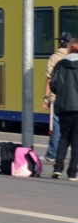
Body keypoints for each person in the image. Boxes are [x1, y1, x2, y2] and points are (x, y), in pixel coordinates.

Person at [48, 36, 78, 180]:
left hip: (64, 106)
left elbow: (53, 85)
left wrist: (62, 94)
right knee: (77, 140)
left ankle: (58, 168)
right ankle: (72, 173)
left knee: (63, 137)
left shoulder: (60, 64)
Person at [43, 32, 72, 162]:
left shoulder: (54, 57)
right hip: (73, 98)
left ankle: (52, 154)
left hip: (56, 97)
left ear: (60, 43)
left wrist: (45, 97)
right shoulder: (74, 57)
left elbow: (49, 79)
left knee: (56, 127)